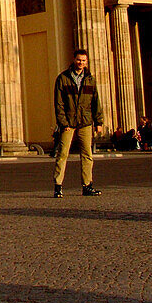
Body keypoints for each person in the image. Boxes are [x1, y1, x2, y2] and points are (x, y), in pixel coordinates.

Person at [52, 49, 104, 198]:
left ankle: (87, 185)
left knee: (87, 155)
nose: (81, 63)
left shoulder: (90, 79)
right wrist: (63, 122)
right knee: (62, 154)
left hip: (85, 121)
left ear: (86, 62)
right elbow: (59, 103)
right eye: (79, 60)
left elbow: (96, 102)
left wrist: (98, 121)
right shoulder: (63, 78)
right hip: (68, 122)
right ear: (74, 60)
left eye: (84, 61)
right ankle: (58, 185)